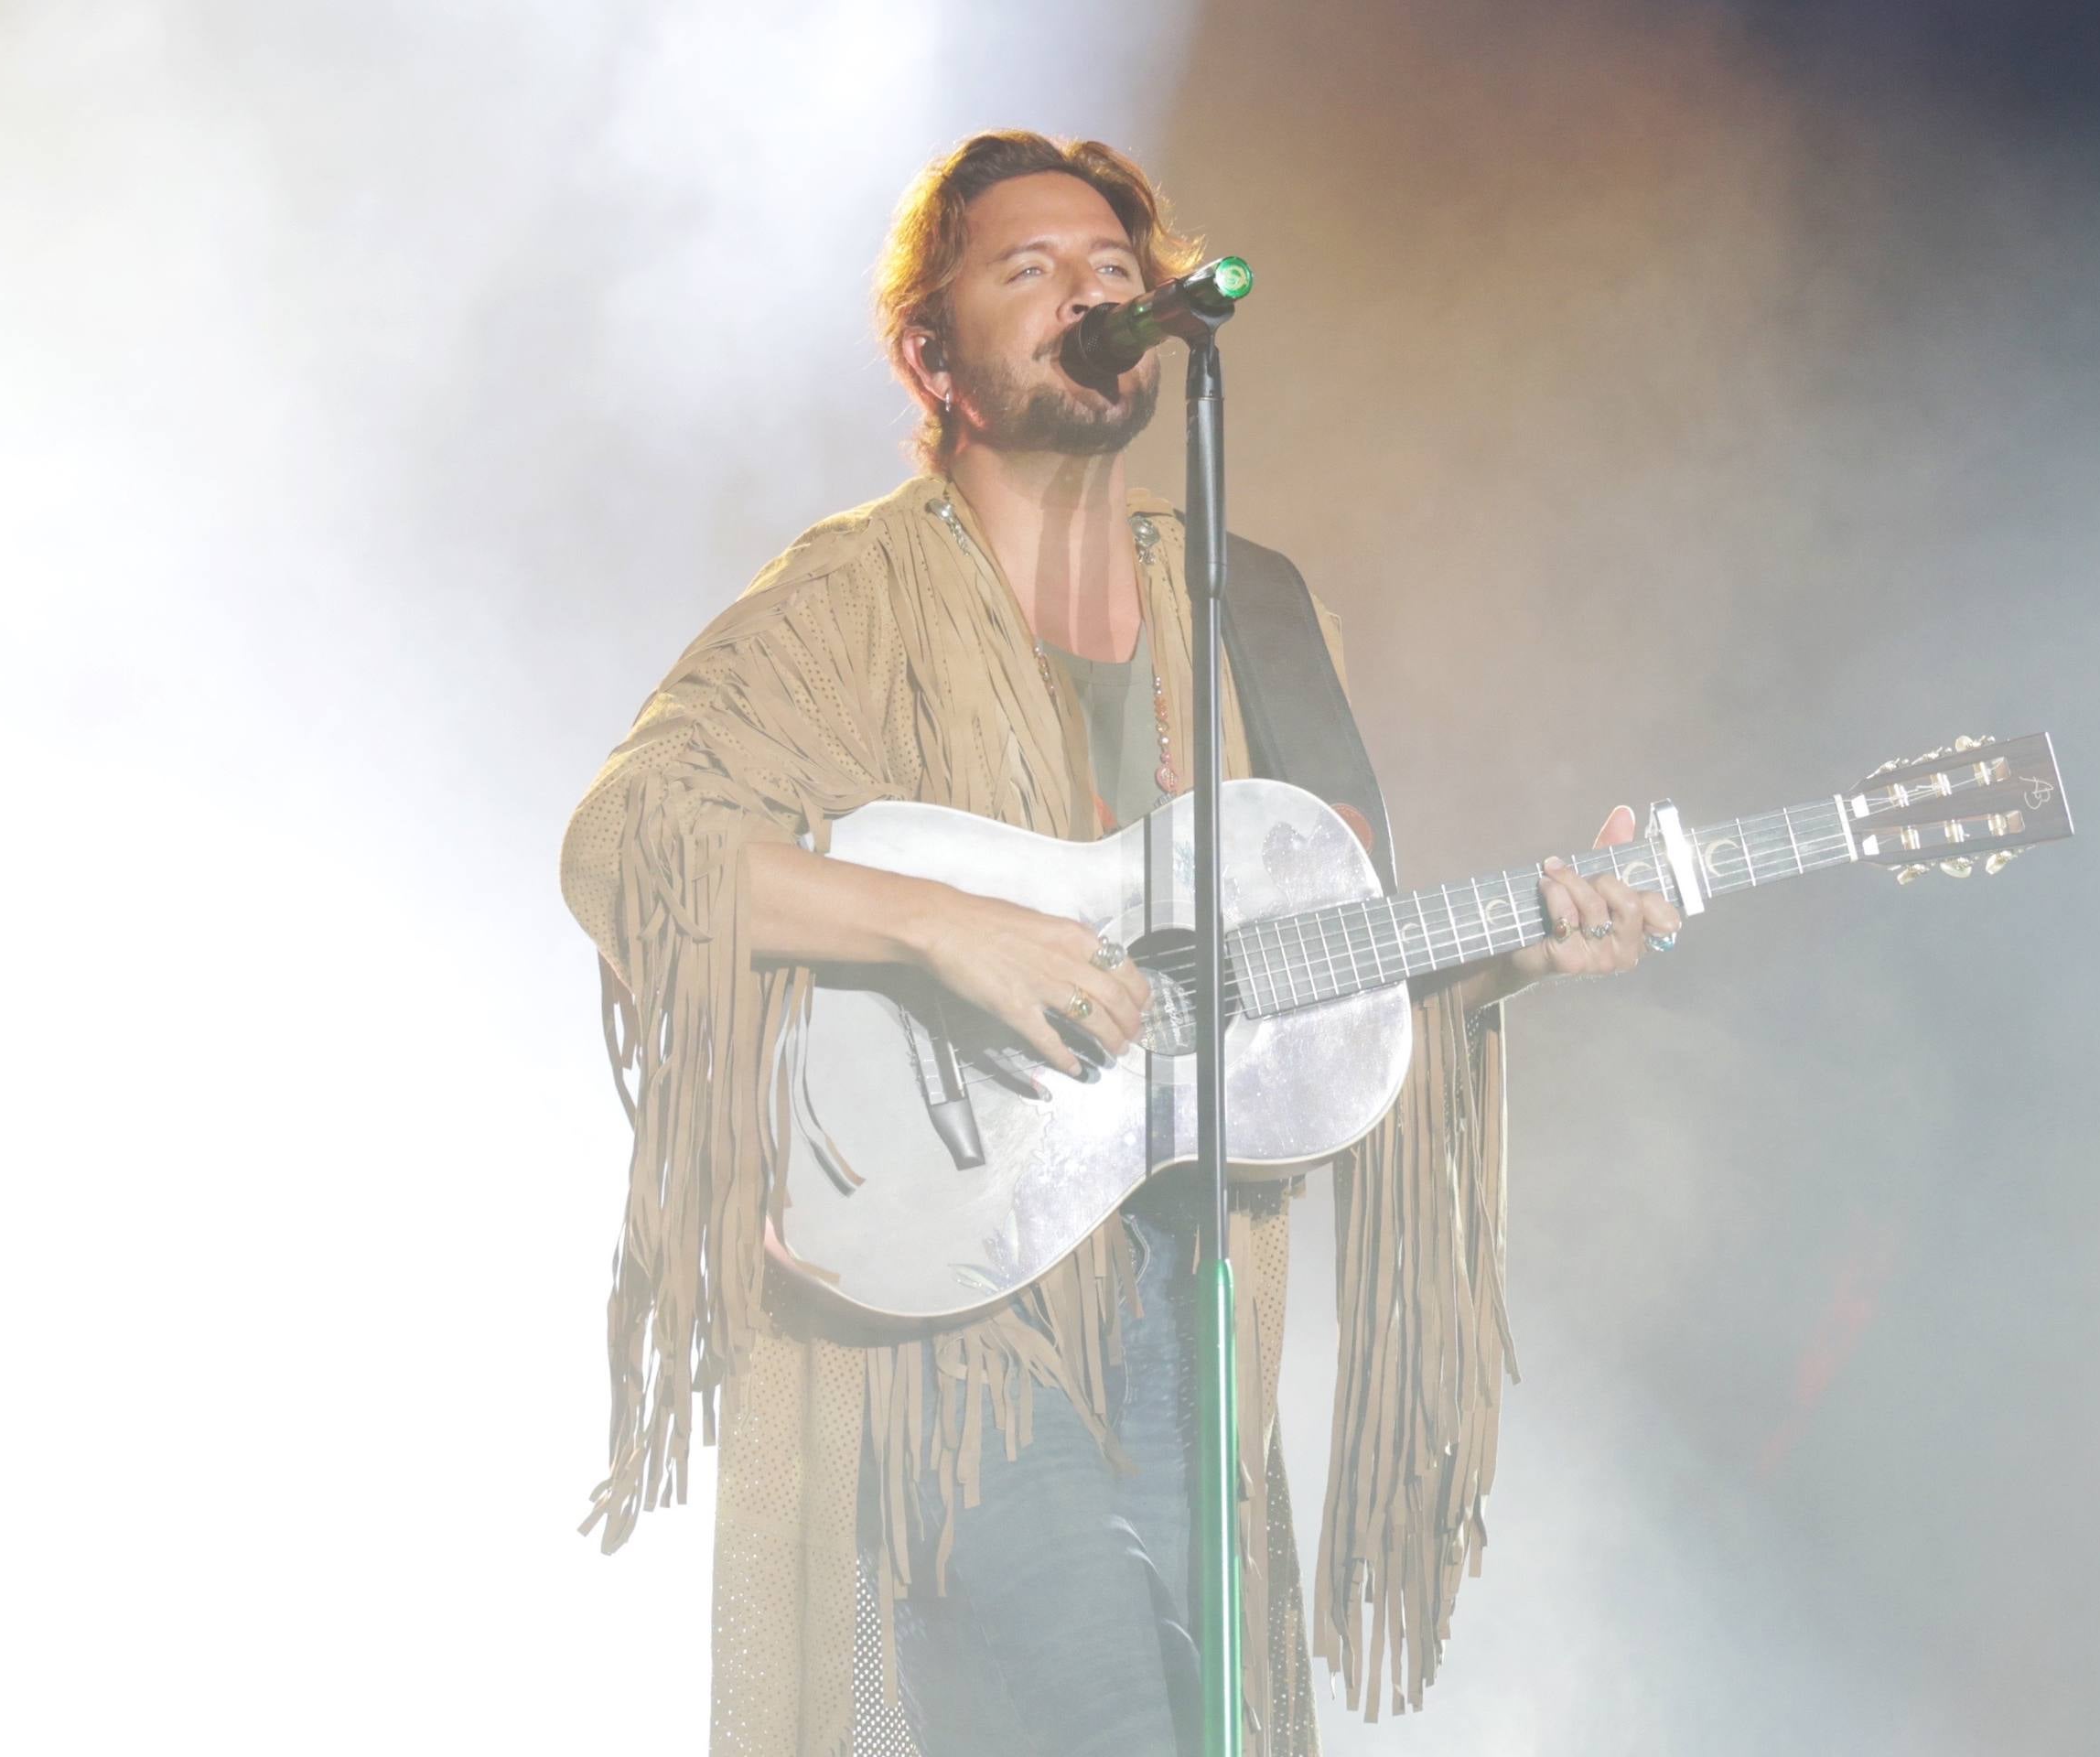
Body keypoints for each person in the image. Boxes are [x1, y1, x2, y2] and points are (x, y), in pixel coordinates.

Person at [558, 129, 1680, 1757]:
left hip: (1185, 1288)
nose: (1091, 293)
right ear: (931, 355)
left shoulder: (1258, 614)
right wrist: (948, 932)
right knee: (1096, 1713)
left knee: (1187, 1715)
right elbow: (628, 846)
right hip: (948, 1318)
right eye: (1030, 270)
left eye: (1112, 271)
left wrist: (1514, 950)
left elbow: (1315, 981)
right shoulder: (847, 605)